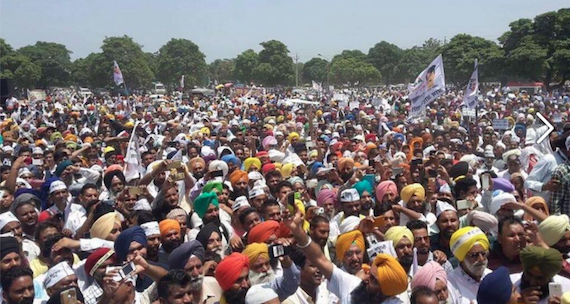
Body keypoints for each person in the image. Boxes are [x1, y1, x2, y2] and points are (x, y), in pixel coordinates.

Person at [447, 226, 491, 304]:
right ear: (462, 257)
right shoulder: (450, 284)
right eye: (474, 255)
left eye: (483, 253)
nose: (481, 259)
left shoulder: (491, 276)